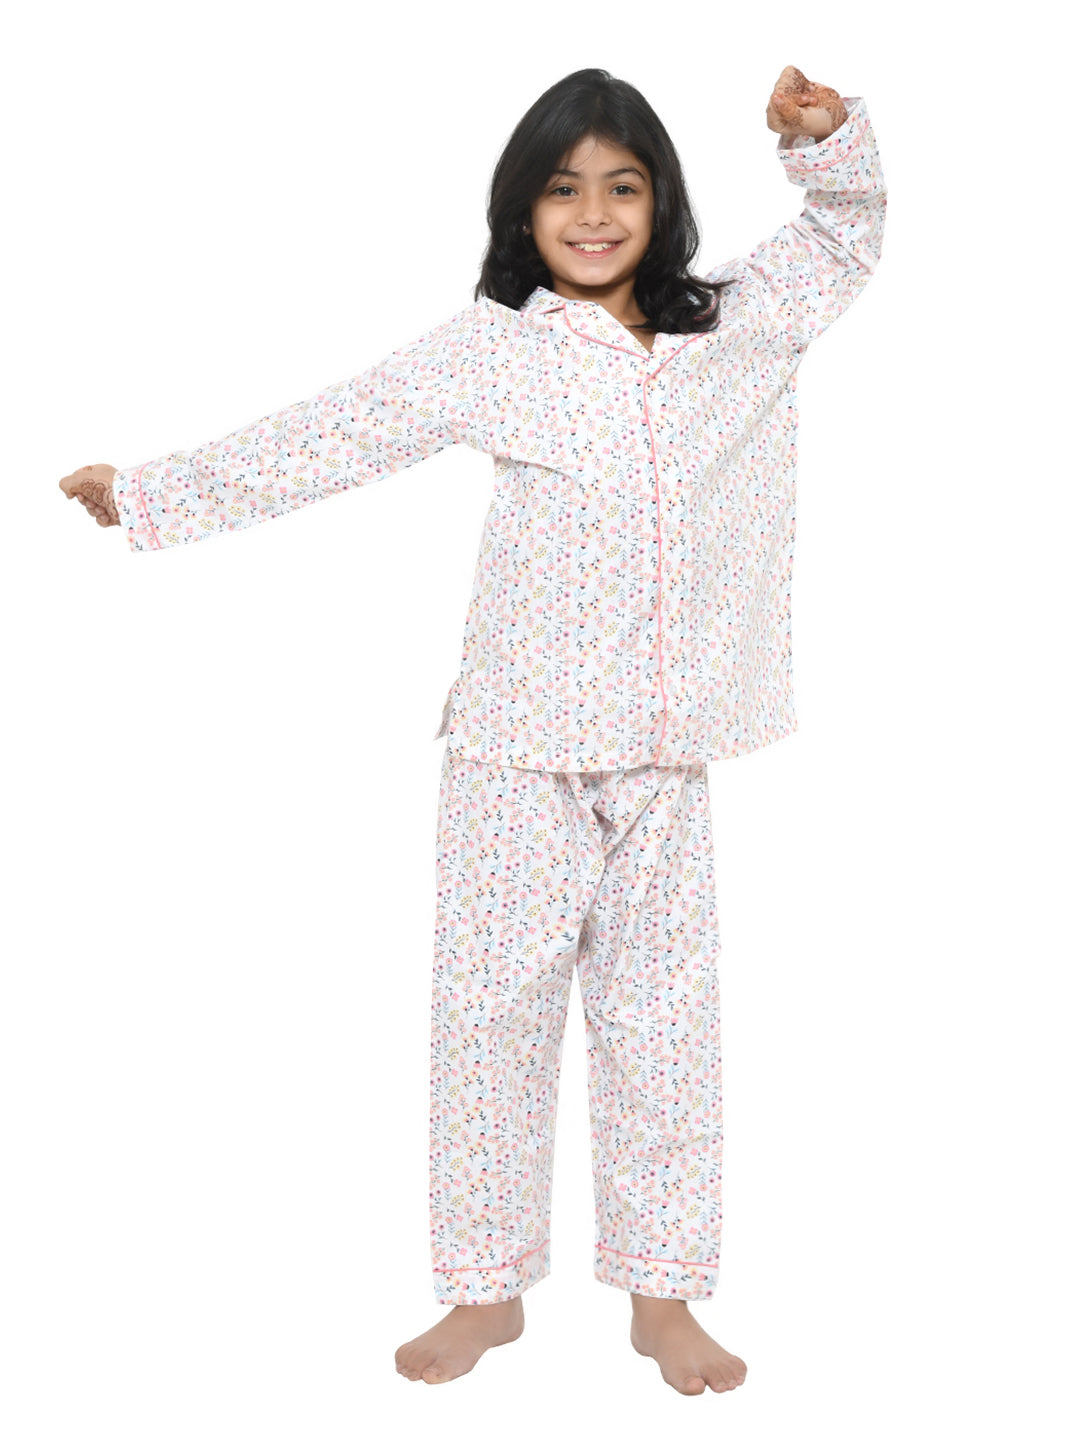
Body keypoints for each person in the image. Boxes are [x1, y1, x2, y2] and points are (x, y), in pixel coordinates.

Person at [59, 64, 887, 1396]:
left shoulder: (737, 325)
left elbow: (845, 238)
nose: (595, 214)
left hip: (667, 754)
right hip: (514, 752)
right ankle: (484, 1291)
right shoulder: (495, 350)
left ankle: (664, 1296)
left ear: (663, 201)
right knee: (489, 1025)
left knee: (665, 1034)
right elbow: (334, 432)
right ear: (523, 209)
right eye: (565, 189)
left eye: (623, 187)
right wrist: (153, 495)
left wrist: (825, 141)